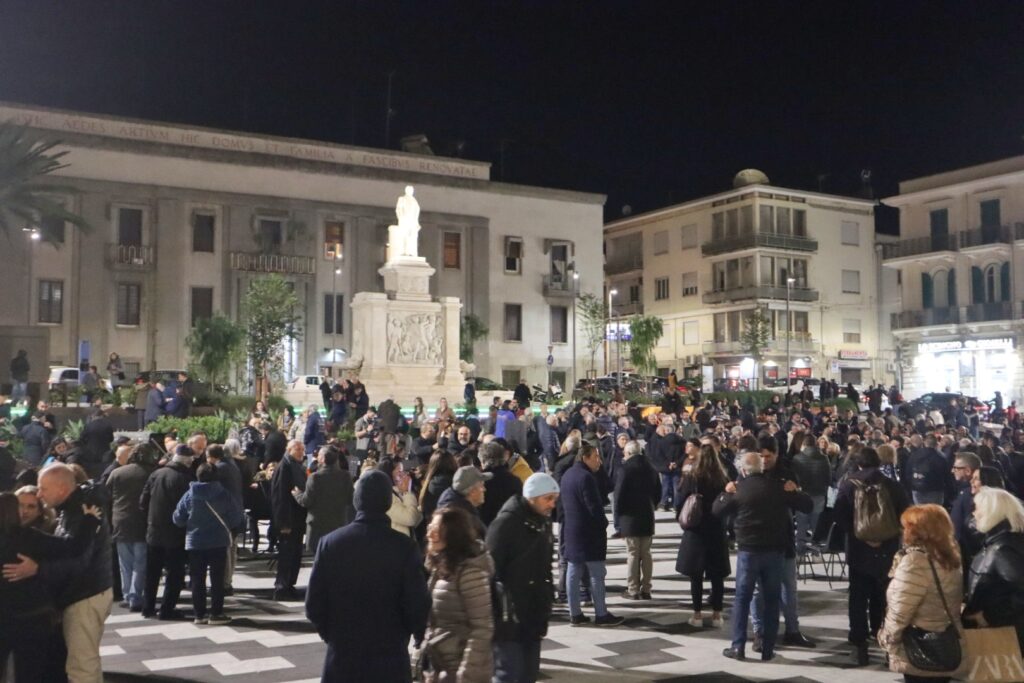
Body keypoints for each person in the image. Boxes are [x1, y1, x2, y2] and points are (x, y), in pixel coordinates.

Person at [305, 469, 430, 683]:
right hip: (389, 655)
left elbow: (314, 605)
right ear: (387, 503)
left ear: (356, 501)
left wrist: (333, 636)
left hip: (343, 655)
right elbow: (417, 605)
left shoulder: (331, 543)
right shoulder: (404, 547)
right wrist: (415, 637)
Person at [2, 463, 114, 682]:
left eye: (43, 488)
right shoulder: (74, 511)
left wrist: (38, 569)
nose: (39, 493)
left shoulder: (79, 511)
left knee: (82, 665)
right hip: (79, 594)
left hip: (85, 594)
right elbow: (72, 548)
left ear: (62, 489)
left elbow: (78, 555)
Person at [713, 451, 812, 661]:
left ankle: (738, 646)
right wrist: (797, 490)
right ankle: (768, 649)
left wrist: (725, 493)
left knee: (742, 598)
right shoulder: (778, 486)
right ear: (761, 467)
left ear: (742, 470)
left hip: (748, 551)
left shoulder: (740, 490)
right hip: (774, 552)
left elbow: (717, 511)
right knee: (771, 599)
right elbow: (807, 505)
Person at [834, 446, 909, 666]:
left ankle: (859, 646)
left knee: (857, 598)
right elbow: (905, 513)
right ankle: (884, 642)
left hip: (858, 550)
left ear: (857, 464)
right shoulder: (892, 485)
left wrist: (860, 534)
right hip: (887, 549)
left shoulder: (848, 485)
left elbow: (839, 515)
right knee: (884, 597)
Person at [486, 473, 559, 683]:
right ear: (532, 498)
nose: (552, 504)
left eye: (555, 499)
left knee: (528, 674)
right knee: (509, 674)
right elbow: (489, 571)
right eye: (548, 498)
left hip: (533, 615)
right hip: (509, 618)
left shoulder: (543, 523)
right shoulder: (506, 523)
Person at [878, 505, 963, 683]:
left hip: (919, 644)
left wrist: (887, 639)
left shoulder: (916, 562)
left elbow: (901, 610)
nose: (903, 531)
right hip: (946, 641)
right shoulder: (950, 557)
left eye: (906, 526)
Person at [424, 505, 495, 682]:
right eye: (430, 528)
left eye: (436, 530)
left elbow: (482, 628)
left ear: (452, 535)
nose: (429, 535)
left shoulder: (470, 574)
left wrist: (467, 674)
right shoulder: (440, 569)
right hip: (443, 667)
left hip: (462, 670)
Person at [560, 442, 624, 626]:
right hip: (589, 533)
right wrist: (603, 523)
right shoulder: (586, 477)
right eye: (596, 457)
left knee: (573, 572)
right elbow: (594, 507)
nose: (599, 461)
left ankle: (575, 613)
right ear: (585, 458)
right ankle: (601, 614)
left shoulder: (568, 475)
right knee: (596, 573)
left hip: (572, 531)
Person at [173, 463, 243, 625]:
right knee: (217, 579)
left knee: (197, 579)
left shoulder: (190, 495)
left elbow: (178, 518)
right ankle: (216, 613)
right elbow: (235, 517)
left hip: (195, 542)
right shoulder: (223, 494)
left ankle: (199, 614)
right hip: (218, 541)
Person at [675, 443, 730, 627]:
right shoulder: (723, 478)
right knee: (717, 576)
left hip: (696, 529)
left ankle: (697, 614)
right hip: (716, 528)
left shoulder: (693, 477)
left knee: (696, 575)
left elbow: (680, 500)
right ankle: (717, 614)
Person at [963, 487, 1024, 653]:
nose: (974, 514)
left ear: (992, 511)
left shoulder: (1002, 549)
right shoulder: (999, 543)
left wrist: (990, 616)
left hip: (1005, 635)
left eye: (977, 508)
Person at [140, 444, 195, 620]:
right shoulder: (186, 478)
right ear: (188, 461)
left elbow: (143, 502)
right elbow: (188, 508)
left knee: (152, 572)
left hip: (153, 530)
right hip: (175, 533)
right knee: (174, 573)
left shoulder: (156, 474)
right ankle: (167, 609)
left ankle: (147, 607)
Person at [106, 444, 151, 612]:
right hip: (142, 521)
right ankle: (135, 596)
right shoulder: (150, 473)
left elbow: (107, 494)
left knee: (125, 563)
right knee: (141, 562)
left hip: (120, 521)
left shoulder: (117, 473)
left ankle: (127, 594)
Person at [615, 440, 660, 601]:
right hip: (647, 514)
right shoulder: (651, 468)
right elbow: (658, 493)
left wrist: (617, 519)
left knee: (633, 553)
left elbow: (618, 496)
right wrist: (651, 505)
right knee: (646, 553)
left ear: (628, 453)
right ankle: (647, 588)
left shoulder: (625, 469)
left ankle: (633, 589)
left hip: (629, 516)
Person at [294, 445, 353, 550]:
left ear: (322, 459)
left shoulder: (315, 477)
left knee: (318, 557)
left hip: (318, 525)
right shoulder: (346, 476)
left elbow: (306, 501)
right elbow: (350, 499)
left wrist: (297, 494)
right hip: (338, 523)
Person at [271, 439, 307, 600]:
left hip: (297, 519)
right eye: (298, 449)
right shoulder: (284, 466)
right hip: (289, 520)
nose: (301, 452)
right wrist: (283, 523)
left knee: (294, 554)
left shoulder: (295, 465)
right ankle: (282, 587)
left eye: (302, 449)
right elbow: (280, 497)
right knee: (287, 554)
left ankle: (289, 585)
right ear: (289, 449)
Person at [438, 465, 491, 537]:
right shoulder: (465, 521)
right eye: (481, 485)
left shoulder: (452, 505)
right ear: (472, 491)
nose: (484, 489)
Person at [479, 441, 524, 526]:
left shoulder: (480, 482)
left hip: (487, 529)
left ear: (483, 461)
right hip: (511, 528)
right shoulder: (515, 480)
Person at [376, 457, 422, 537]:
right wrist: (407, 492)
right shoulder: (387, 497)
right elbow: (410, 519)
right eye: (399, 471)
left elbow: (417, 519)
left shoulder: (398, 493)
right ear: (389, 474)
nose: (403, 475)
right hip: (396, 545)